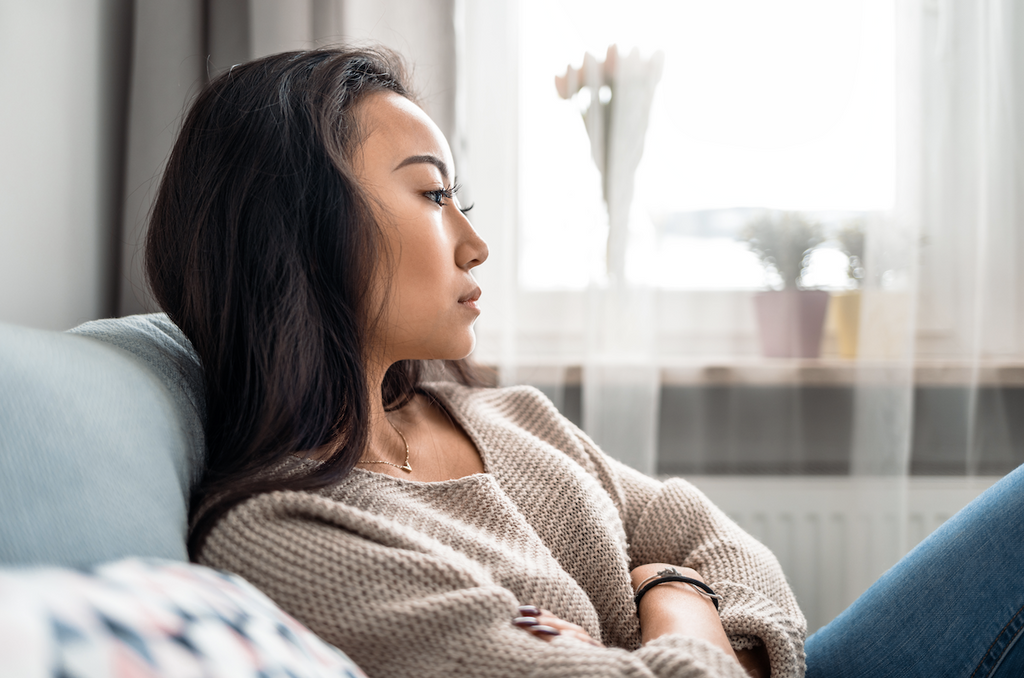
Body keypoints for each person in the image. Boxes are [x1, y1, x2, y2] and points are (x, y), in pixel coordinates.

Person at [143, 47, 1024, 678]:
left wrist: (675, 599)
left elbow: (715, 538)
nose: (475, 244)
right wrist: (679, 598)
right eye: (433, 195)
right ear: (297, 225)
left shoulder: (508, 418)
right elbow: (691, 562)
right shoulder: (292, 535)